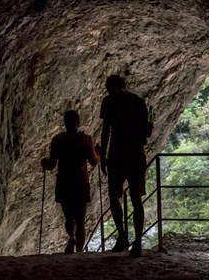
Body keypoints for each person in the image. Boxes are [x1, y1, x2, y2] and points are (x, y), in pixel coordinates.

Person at [99, 74, 149, 257]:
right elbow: (146, 129)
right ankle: (137, 242)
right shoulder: (137, 100)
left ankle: (121, 235)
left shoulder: (109, 101)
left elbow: (106, 130)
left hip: (117, 153)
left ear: (109, 87)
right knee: (136, 198)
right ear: (124, 85)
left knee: (114, 196)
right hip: (136, 152)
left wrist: (102, 154)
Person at [41, 110, 100, 254]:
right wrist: (97, 152)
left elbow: (51, 165)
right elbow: (93, 162)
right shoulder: (86, 139)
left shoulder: (57, 140)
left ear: (65, 123)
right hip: (81, 182)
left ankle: (72, 237)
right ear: (78, 122)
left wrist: (44, 163)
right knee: (80, 220)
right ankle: (79, 251)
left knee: (69, 217)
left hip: (64, 182)